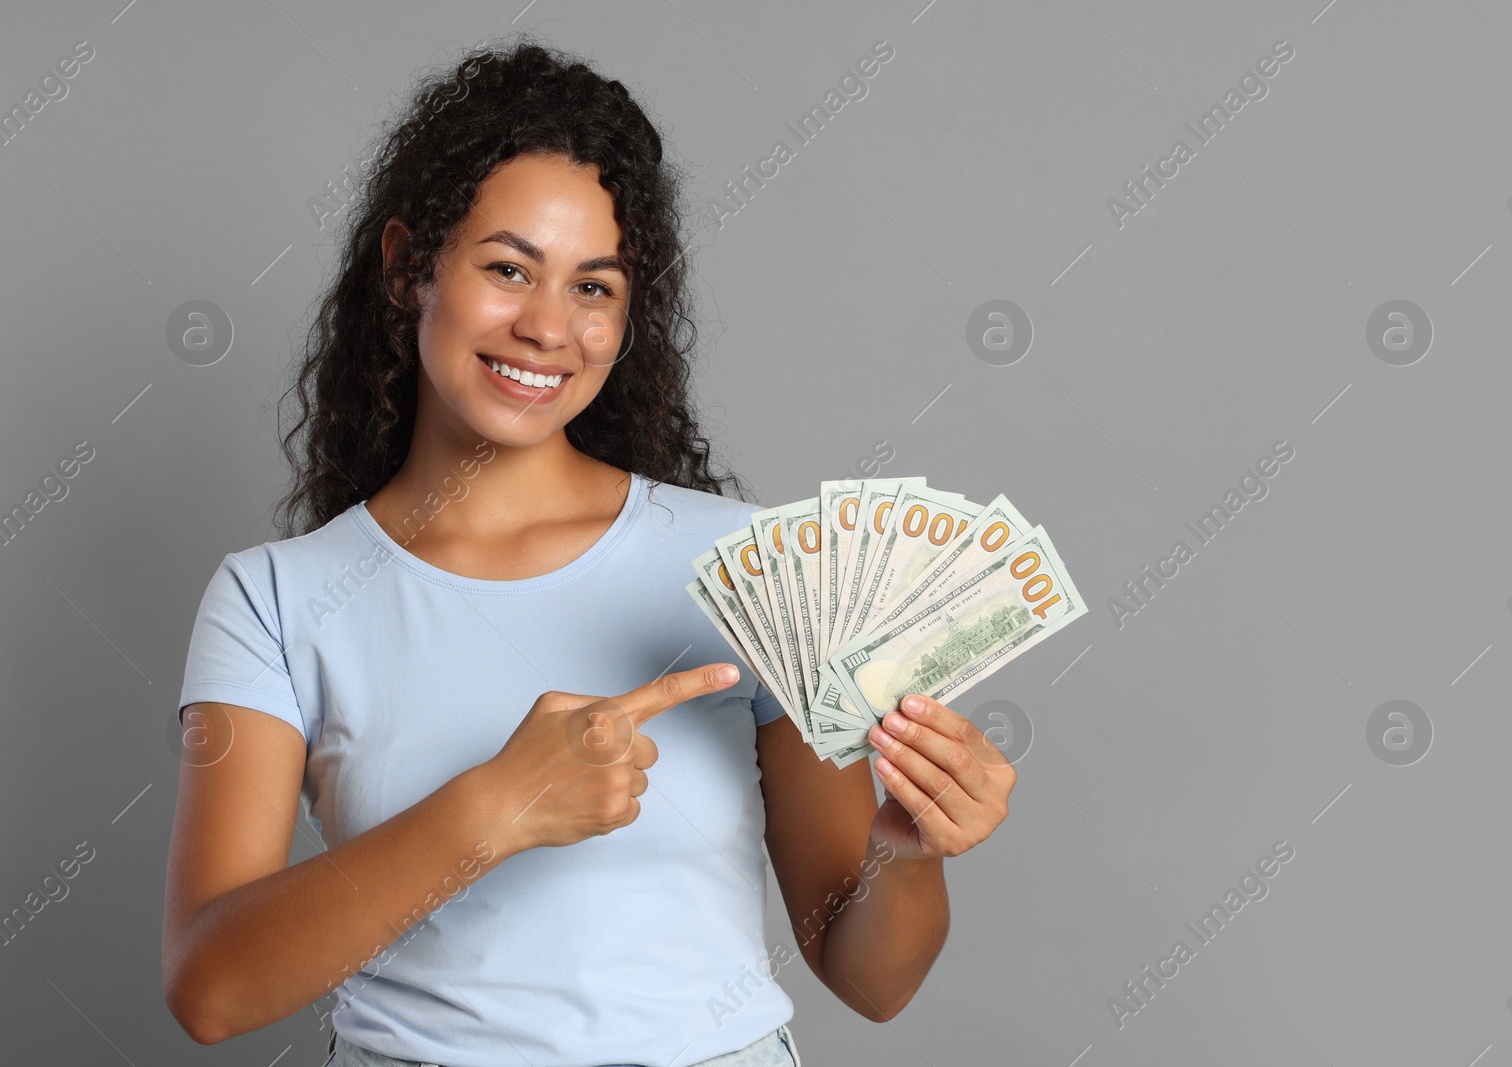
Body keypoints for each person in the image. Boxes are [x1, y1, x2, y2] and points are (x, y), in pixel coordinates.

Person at [161, 35, 1016, 1067]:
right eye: (508, 268)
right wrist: (492, 806)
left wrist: (905, 849)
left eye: (593, 287)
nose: (545, 327)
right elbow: (209, 986)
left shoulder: (754, 570)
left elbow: (869, 977)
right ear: (406, 268)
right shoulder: (274, 600)